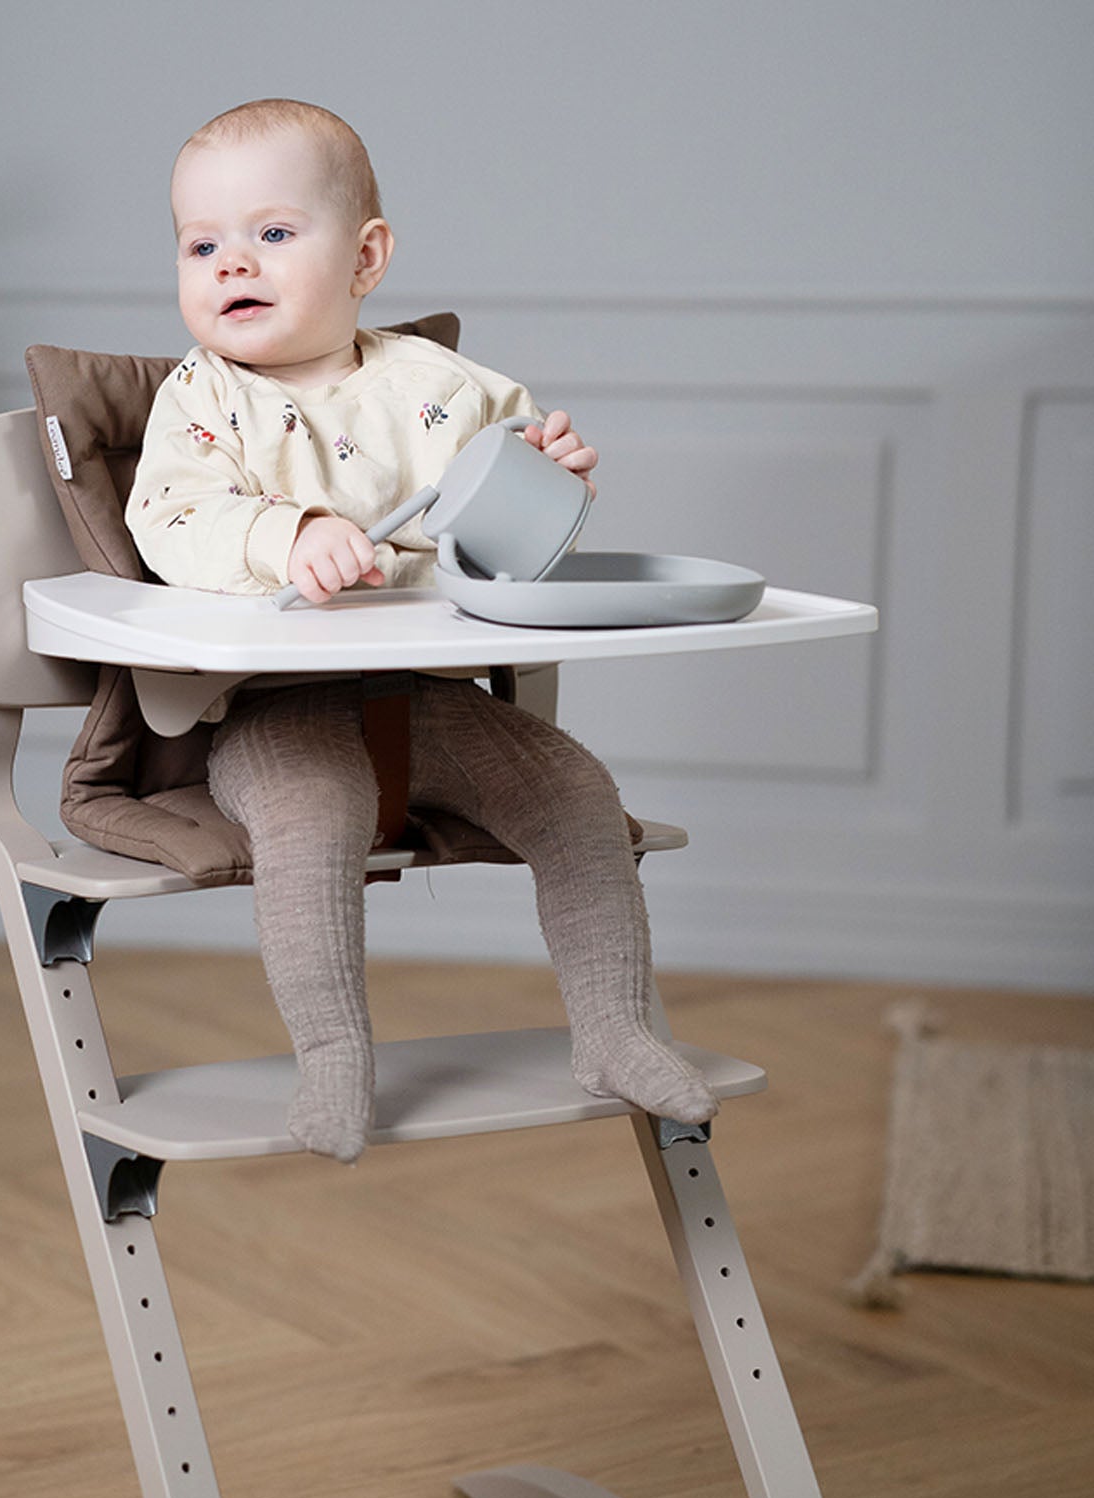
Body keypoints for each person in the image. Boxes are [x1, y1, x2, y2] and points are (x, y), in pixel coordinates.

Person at [126, 98, 717, 1162]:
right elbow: (170, 520)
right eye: (201, 244)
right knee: (310, 825)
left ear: (366, 257)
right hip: (280, 717)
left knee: (578, 794)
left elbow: (505, 541)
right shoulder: (200, 401)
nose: (231, 265)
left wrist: (554, 480)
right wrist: (286, 531)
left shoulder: (443, 392)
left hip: (431, 699)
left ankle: (615, 1028)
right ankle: (334, 1055)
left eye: (270, 234)